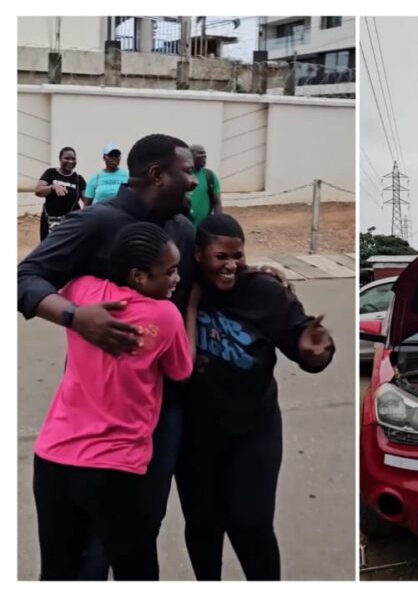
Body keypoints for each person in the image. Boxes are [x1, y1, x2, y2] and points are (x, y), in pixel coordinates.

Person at [19, 134, 198, 578]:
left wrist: (265, 281)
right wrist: (76, 317)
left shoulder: (183, 229)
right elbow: (24, 277)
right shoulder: (97, 222)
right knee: (84, 557)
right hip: (92, 420)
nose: (194, 182)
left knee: (139, 536)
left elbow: (203, 288)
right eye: (187, 172)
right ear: (157, 175)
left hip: (161, 415)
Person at [175, 214, 335, 580]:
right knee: (203, 526)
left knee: (252, 523)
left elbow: (303, 337)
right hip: (195, 435)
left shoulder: (263, 291)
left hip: (254, 430)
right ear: (198, 254)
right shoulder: (180, 287)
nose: (231, 265)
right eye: (221, 257)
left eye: (238, 256)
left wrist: (315, 352)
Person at [35, 146, 87, 240]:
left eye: (73, 159)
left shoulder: (78, 179)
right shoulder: (51, 173)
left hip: (71, 223)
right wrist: (52, 187)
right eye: (67, 158)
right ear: (60, 159)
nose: (70, 161)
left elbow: (87, 201)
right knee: (49, 249)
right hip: (50, 222)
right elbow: (38, 191)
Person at [188, 144, 222, 226]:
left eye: (205, 154)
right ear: (190, 155)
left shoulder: (210, 176)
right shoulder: (181, 175)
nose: (204, 156)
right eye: (200, 153)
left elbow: (217, 202)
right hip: (184, 229)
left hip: (203, 228)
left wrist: (218, 222)